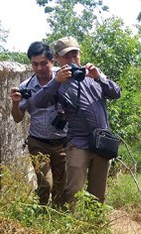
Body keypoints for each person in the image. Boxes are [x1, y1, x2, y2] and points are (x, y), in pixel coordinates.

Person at [31, 36, 121, 205]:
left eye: (75, 55)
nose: (72, 60)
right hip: (79, 144)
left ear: (80, 54)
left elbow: (116, 93)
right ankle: (69, 227)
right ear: (57, 58)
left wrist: (99, 77)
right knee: (72, 191)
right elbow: (38, 102)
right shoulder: (58, 80)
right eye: (67, 56)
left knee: (98, 194)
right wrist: (56, 82)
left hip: (101, 142)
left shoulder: (93, 74)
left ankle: (94, 227)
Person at [10, 41, 67, 206]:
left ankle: (56, 217)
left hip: (62, 142)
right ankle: (40, 213)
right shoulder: (26, 86)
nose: (39, 68)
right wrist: (15, 103)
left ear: (52, 62)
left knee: (60, 185)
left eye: (44, 64)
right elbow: (17, 118)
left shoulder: (63, 78)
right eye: (35, 64)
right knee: (45, 184)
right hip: (38, 142)